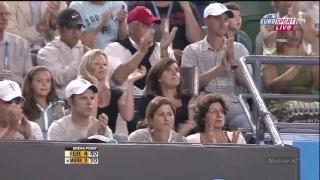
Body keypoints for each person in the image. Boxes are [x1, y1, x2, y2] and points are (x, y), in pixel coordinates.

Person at [181, 3, 252, 131]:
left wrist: (234, 64)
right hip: (204, 103)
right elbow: (188, 85)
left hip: (234, 103)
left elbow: (249, 85)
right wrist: (220, 68)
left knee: (246, 125)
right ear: (206, 21)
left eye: (225, 19)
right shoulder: (191, 50)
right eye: (217, 18)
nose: (222, 23)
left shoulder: (239, 49)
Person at [105, 6, 176, 92]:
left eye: (153, 26)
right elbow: (118, 77)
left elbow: (173, 82)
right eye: (146, 26)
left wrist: (164, 54)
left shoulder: (163, 48)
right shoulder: (115, 48)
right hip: (124, 101)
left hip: (156, 102)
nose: (151, 31)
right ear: (131, 28)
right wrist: (141, 52)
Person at [78, 49, 146, 133]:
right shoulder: (79, 92)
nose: (102, 67)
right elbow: (90, 119)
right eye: (96, 64)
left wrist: (130, 82)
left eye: (104, 64)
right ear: (86, 68)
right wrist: (94, 85)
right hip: (85, 137)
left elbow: (128, 116)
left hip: (108, 141)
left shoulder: (115, 93)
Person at [262, 24, 319, 123]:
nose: (295, 33)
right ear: (281, 33)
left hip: (310, 104)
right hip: (281, 104)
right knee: (294, 108)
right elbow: (273, 88)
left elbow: (317, 85)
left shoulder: (311, 59)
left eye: (298, 30)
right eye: (290, 29)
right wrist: (297, 65)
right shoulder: (270, 59)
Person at [38, 8, 89, 99]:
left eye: (79, 27)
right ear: (59, 29)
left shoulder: (87, 50)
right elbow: (58, 78)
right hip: (60, 102)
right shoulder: (46, 53)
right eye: (71, 27)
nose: (76, 32)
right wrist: (83, 60)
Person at [137, 57, 198, 134]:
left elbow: (196, 127)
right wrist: (180, 134)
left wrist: (191, 110)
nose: (174, 73)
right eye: (168, 70)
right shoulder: (148, 99)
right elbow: (146, 130)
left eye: (176, 70)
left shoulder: (190, 98)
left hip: (188, 142)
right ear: (159, 77)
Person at [128, 1, 203, 63]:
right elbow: (131, 38)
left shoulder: (188, 6)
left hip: (183, 61)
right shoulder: (139, 5)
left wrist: (186, 7)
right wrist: (169, 53)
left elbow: (197, 40)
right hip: (149, 59)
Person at [47, 78, 113, 141]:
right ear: (70, 101)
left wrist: (101, 138)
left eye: (92, 98)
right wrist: (91, 139)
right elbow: (61, 153)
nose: (89, 102)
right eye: (84, 98)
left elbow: (111, 152)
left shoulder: (102, 128)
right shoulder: (58, 129)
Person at [22, 66, 66, 139]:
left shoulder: (58, 106)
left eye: (48, 80)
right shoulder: (23, 107)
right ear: (30, 84)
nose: (44, 84)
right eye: (39, 80)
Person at [128, 96, 195, 142]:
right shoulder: (138, 138)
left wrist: (179, 139)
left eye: (170, 114)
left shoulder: (181, 140)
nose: (166, 119)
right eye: (161, 114)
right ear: (151, 119)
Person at [0, 2, 33, 86]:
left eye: (7, 14)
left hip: (18, 93)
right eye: (0, 14)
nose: (4, 18)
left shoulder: (21, 43)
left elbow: (29, 77)